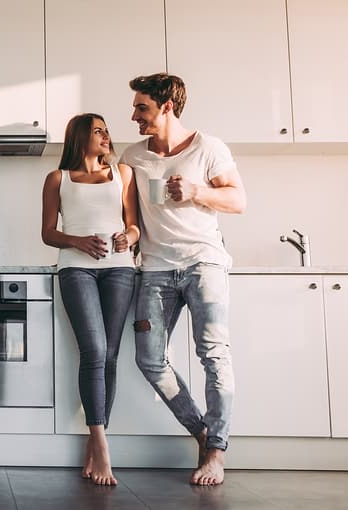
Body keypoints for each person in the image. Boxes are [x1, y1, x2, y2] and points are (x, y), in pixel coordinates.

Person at [121, 73, 246, 486]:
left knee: (213, 354)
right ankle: (203, 432)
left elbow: (237, 200)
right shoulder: (133, 155)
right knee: (150, 359)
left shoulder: (209, 148)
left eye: (142, 107)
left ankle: (215, 453)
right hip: (155, 268)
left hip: (203, 263)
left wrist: (196, 191)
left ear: (166, 106)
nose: (135, 115)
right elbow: (128, 213)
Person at [41, 113, 140, 486]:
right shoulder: (58, 179)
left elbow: (134, 225)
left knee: (110, 356)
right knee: (94, 351)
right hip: (75, 270)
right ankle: (100, 443)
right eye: (98, 130)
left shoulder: (123, 174)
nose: (106, 135)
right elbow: (48, 232)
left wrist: (127, 238)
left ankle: (95, 440)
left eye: (106, 130)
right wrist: (78, 241)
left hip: (120, 269)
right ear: (80, 136)